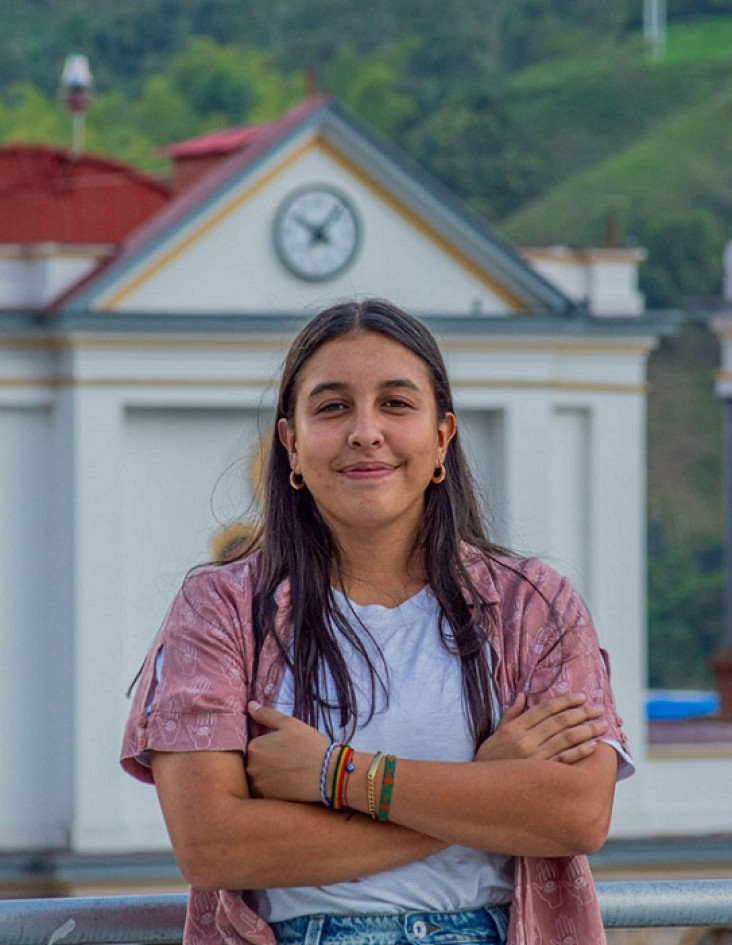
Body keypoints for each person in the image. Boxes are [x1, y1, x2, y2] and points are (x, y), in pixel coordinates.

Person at [121, 298, 634, 945]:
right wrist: (483, 787)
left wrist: (334, 773)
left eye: (395, 403)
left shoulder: (531, 601)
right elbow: (213, 845)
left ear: (442, 436)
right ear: (292, 445)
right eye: (333, 406)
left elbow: (577, 812)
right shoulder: (220, 607)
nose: (365, 430)